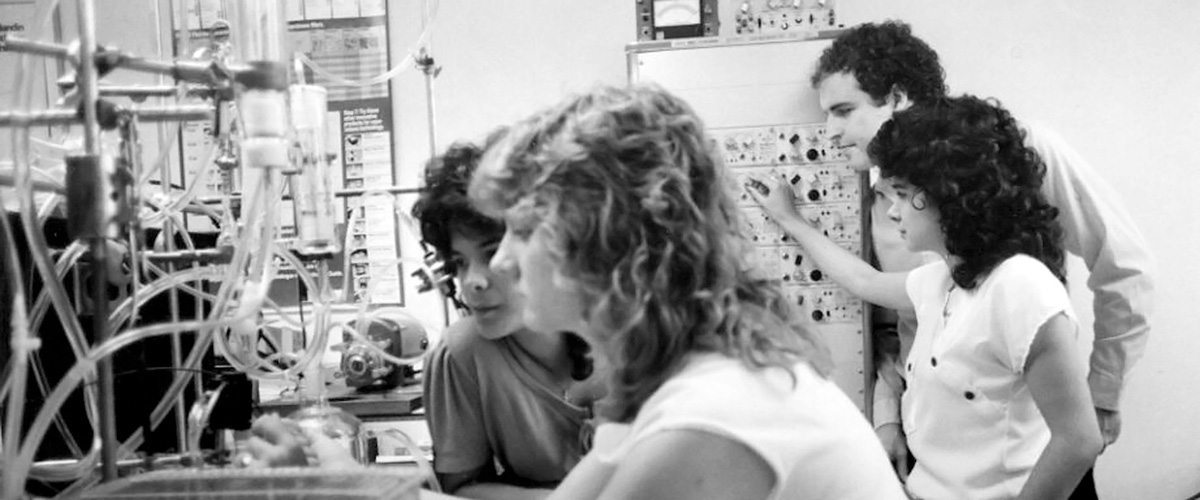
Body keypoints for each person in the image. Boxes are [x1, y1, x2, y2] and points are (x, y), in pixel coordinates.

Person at [465, 84, 906, 500]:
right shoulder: (680, 370)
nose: (503, 261)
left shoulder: (711, 412)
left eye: (523, 229)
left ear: (603, 239)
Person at [764, 20, 1154, 486]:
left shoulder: (1011, 153)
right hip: (937, 448)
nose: (829, 131)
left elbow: (1125, 267)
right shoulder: (875, 199)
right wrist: (890, 414)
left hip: (1026, 451)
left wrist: (1103, 395)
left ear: (897, 97)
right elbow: (882, 307)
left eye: (844, 110)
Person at [748, 94, 1104, 499]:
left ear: (951, 195)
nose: (893, 211)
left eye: (901, 193)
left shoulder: (1019, 285)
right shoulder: (941, 280)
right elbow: (861, 279)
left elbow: (1078, 442)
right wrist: (788, 219)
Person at [407, 139, 603, 499]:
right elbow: (460, 490)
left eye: (493, 252)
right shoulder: (463, 354)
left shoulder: (630, 336)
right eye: (460, 262)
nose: (472, 281)